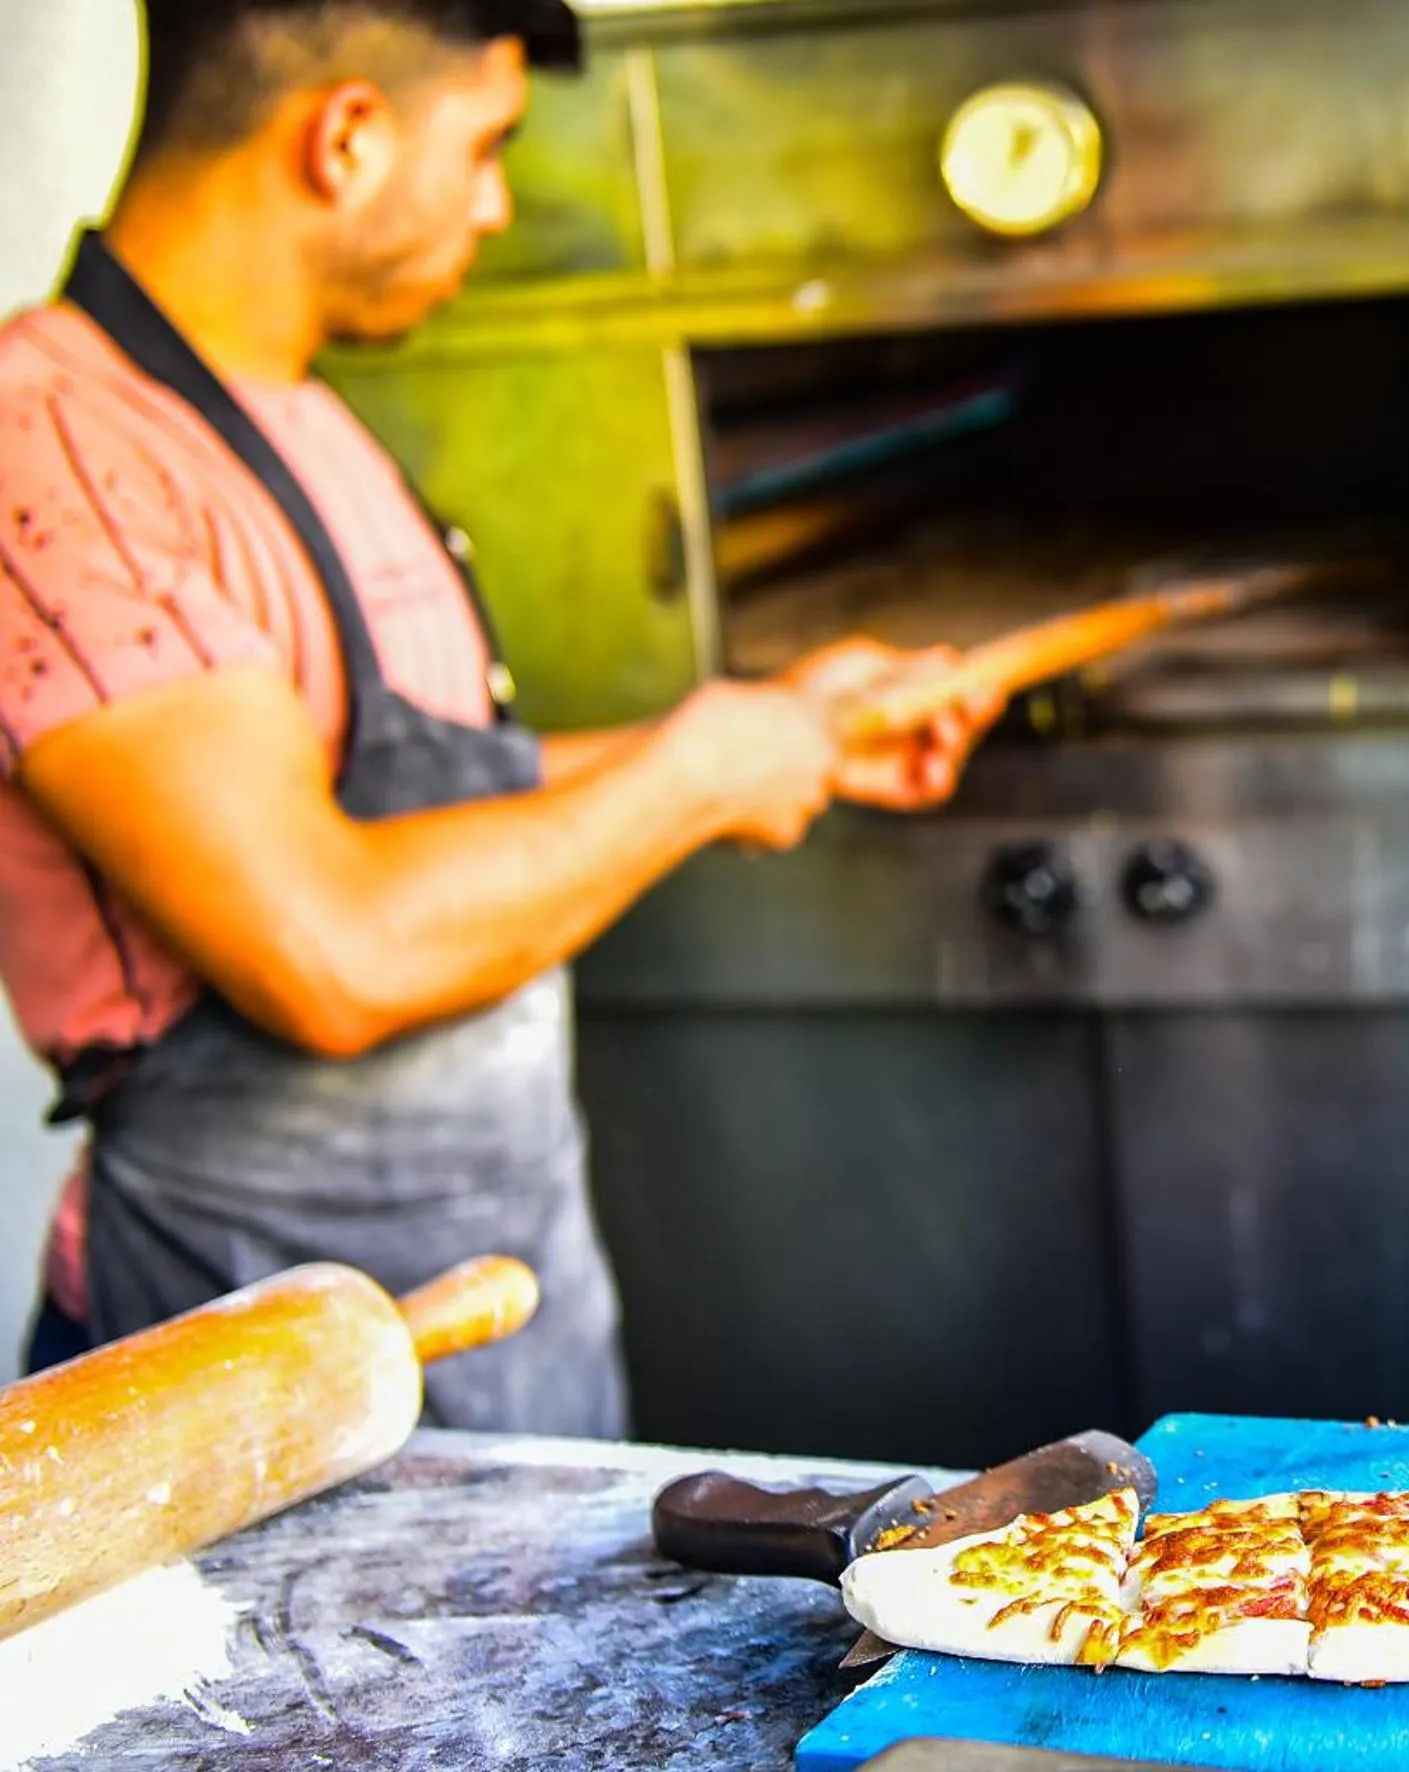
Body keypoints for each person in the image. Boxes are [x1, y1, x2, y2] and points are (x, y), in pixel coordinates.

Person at [0, 0, 999, 1434]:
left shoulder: (292, 417)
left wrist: (788, 729)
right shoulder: (53, 448)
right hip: (246, 1359)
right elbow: (329, 949)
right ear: (346, 137)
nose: (494, 205)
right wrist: (700, 772)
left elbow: (429, 799)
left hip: (496, 1317)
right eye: (485, 147)